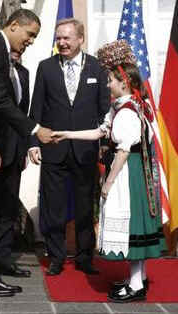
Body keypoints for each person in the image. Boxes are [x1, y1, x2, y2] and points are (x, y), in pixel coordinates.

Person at [53, 39, 166, 303]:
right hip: (133, 171)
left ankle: (137, 285)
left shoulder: (127, 111)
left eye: (111, 80)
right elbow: (99, 132)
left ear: (124, 83)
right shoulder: (127, 106)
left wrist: (107, 183)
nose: (107, 85)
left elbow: (124, 150)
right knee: (133, 227)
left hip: (128, 174)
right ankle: (137, 280)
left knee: (131, 226)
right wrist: (67, 133)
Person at [0, 9, 52, 295]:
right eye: (30, 34)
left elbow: (16, 106)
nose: (30, 41)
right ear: (14, 25)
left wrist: (27, 139)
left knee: (6, 208)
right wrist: (35, 130)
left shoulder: (15, 64)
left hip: (11, 148)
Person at [28, 18, 110, 276]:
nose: (61, 42)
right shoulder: (46, 68)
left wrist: (105, 145)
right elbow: (36, 109)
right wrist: (33, 143)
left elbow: (104, 110)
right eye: (58, 38)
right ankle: (56, 257)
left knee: (86, 205)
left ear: (80, 39)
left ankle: (86, 257)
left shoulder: (97, 68)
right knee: (54, 206)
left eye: (67, 38)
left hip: (86, 151)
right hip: (53, 148)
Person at [0, 50, 32, 277]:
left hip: (16, 150)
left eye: (21, 49)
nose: (18, 52)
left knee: (8, 208)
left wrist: (24, 149)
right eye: (13, 49)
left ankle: (4, 259)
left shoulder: (24, 73)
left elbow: (22, 114)